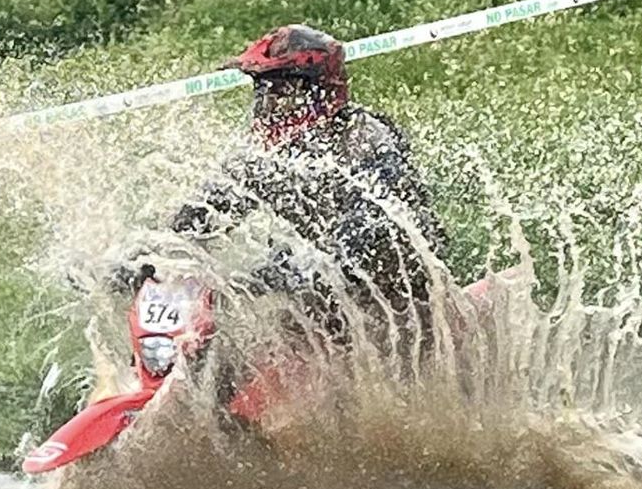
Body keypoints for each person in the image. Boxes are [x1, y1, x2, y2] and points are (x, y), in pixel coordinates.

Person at [165, 24, 447, 337]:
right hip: (323, 290)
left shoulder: (366, 137)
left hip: (400, 301)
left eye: (281, 92)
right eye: (263, 92)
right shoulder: (268, 155)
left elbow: (369, 225)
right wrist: (155, 257)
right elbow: (210, 205)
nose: (269, 105)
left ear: (320, 90)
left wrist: (287, 269)